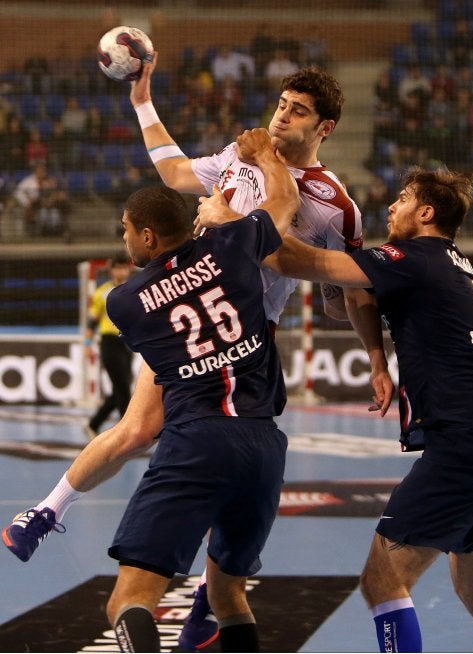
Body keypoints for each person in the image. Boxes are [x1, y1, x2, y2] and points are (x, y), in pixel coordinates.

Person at [2, 57, 393, 651]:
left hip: (247, 331)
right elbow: (174, 169)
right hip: (192, 314)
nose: (282, 116)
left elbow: (345, 288)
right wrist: (142, 100)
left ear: (325, 128)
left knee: (183, 444)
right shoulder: (240, 156)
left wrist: (375, 357)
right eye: (281, 104)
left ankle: (200, 592)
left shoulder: (334, 204)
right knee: (142, 429)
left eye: (298, 111)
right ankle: (49, 513)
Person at [247, 166, 473, 653]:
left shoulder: (413, 258)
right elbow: (348, 301)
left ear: (426, 213)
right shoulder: (452, 263)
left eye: (403, 199)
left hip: (464, 443)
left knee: (382, 582)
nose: (392, 207)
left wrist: (236, 217)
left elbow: (288, 258)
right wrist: (378, 359)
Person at [110, 129, 298, 652]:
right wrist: (265, 156)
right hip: (263, 447)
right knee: (228, 597)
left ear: (149, 237)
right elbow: (286, 201)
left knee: (128, 600)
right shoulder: (233, 245)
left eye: (126, 229)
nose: (123, 239)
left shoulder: (124, 302)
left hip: (196, 440)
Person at [84, 253, 134, 440]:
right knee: (123, 388)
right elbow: (92, 321)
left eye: (124, 267)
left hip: (128, 343)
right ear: (111, 270)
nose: (121, 271)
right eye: (117, 268)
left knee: (121, 388)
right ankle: (126, 431)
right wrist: (87, 344)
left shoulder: (134, 290)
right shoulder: (102, 293)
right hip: (110, 342)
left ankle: (93, 424)